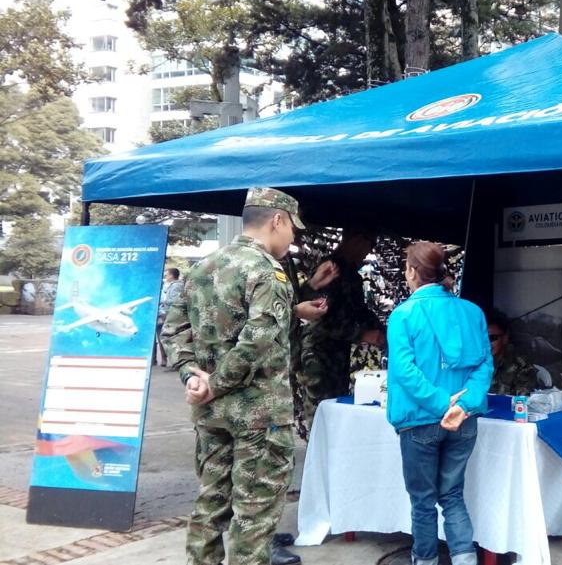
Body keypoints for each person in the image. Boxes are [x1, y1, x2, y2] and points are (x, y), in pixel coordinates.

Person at [161, 187, 328, 565]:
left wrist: (193, 378)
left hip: (211, 414)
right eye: (292, 229)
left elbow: (173, 329)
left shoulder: (204, 266)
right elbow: (257, 341)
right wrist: (215, 385)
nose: (293, 237)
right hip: (258, 416)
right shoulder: (267, 270)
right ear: (277, 220)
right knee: (254, 517)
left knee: (210, 505)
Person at [386, 241, 493, 565]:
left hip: (420, 421)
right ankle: (464, 560)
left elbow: (404, 370)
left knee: (423, 502)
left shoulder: (403, 315)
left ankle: (425, 560)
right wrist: (462, 405)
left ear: (413, 272)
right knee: (452, 496)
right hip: (464, 421)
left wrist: (440, 403)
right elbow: (484, 365)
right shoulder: (472, 312)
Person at [298, 228, 385, 430]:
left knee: (335, 417)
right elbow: (321, 320)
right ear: (356, 239)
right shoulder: (331, 270)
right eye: (370, 244)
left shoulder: (350, 274)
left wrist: (381, 331)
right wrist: (362, 334)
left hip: (336, 356)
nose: (369, 250)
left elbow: (358, 312)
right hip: (318, 358)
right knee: (321, 419)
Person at [485, 309, 546, 396]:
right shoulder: (475, 362)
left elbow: (524, 398)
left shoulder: (521, 365)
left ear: (505, 338)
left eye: (492, 338)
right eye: (483, 339)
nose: (486, 344)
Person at [155, 268, 183, 367]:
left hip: (170, 315)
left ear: (172, 275)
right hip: (167, 314)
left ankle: (175, 362)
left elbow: (175, 300)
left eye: (166, 275)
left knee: (169, 338)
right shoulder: (172, 285)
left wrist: (162, 301)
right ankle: (168, 360)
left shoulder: (176, 286)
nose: (165, 277)